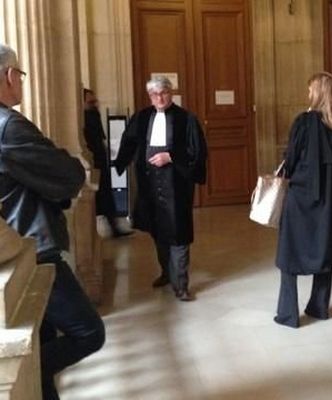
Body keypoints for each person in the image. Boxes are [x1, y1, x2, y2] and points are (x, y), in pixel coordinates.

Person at [0, 43, 105, 399]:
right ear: (10, 76)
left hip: (22, 243)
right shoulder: (9, 127)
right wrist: (69, 171)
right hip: (32, 248)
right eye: (22, 76)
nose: (23, 84)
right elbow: (68, 173)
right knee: (88, 332)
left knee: (43, 335)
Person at [114, 76, 207, 302]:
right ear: (150, 96)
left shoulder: (186, 119)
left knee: (178, 233)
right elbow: (129, 142)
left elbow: (198, 152)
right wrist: (118, 164)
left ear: (171, 92)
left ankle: (181, 285)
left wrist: (171, 156)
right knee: (157, 230)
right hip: (149, 185)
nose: (159, 98)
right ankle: (167, 273)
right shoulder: (142, 117)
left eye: (163, 92)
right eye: (154, 94)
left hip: (176, 185)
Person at [274, 71, 332, 328]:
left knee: (290, 252)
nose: (308, 95)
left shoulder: (304, 122)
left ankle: (288, 314)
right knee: (325, 249)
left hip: (302, 197)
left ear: (317, 93)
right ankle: (319, 307)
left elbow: (292, 158)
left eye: (310, 90)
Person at [83, 88, 132, 237]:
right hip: (93, 159)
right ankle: (108, 226)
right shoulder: (84, 117)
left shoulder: (94, 114)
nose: (94, 104)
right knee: (100, 195)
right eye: (90, 101)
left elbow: (101, 137)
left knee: (106, 193)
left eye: (94, 101)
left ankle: (114, 225)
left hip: (100, 158)